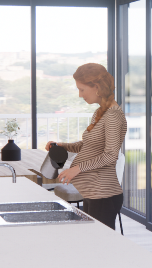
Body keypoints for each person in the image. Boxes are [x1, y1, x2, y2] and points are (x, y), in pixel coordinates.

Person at [44, 63, 127, 231]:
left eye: (82, 90)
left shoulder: (113, 116)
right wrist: (63, 145)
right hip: (92, 192)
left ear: (96, 87)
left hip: (104, 194)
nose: (80, 95)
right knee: (93, 243)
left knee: (101, 246)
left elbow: (111, 155)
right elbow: (87, 145)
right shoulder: (100, 112)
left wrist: (77, 169)